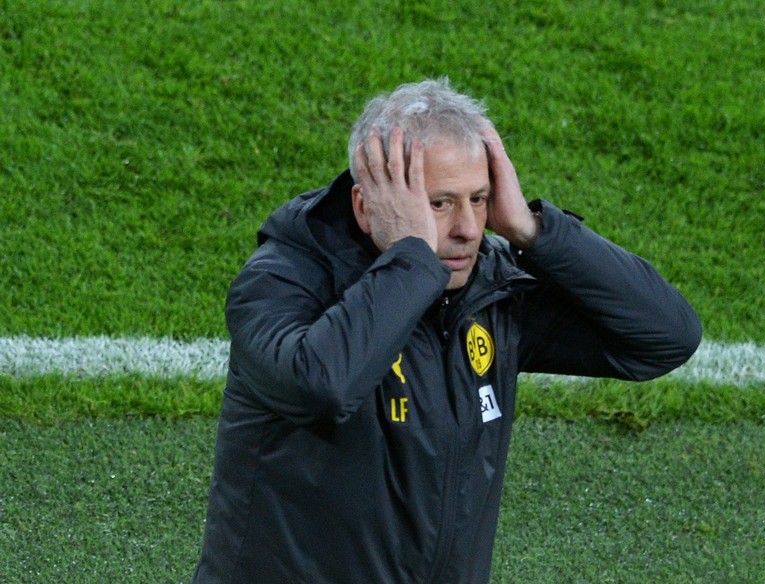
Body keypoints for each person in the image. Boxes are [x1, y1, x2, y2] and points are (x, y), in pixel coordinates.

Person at [192, 78, 701, 583]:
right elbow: (320, 385)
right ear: (368, 206)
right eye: (439, 204)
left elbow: (665, 338)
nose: (468, 229)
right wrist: (412, 260)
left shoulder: (489, 289)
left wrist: (531, 230)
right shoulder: (283, 279)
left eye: (478, 199)